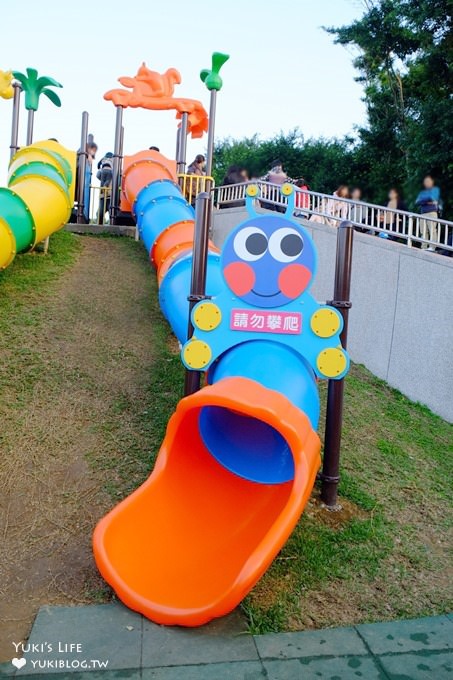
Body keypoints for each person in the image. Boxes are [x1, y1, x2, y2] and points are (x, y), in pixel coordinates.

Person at [416, 175, 441, 250]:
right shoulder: (422, 192)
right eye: (426, 181)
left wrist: (424, 200)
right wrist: (428, 201)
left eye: (428, 181)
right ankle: (423, 246)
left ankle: (432, 247)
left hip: (432, 212)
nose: (427, 183)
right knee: (423, 231)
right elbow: (417, 201)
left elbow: (432, 198)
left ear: (432, 182)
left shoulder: (435, 189)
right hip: (423, 213)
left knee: (432, 230)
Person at [96, 152, 114, 224]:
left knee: (107, 212)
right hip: (108, 195)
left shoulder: (103, 169)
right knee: (101, 213)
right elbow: (98, 175)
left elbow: (98, 175)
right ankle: (101, 226)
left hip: (108, 196)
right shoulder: (113, 171)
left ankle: (109, 227)